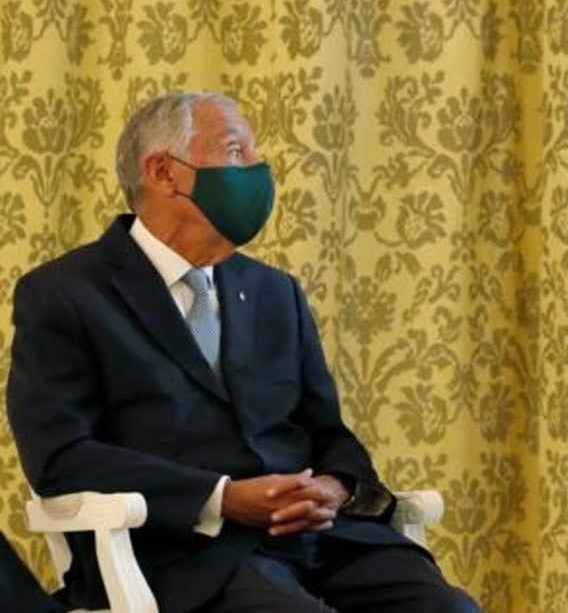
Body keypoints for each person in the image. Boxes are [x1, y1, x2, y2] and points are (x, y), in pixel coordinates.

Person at [5, 92, 479, 612]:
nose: (259, 168)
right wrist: (222, 498)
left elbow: (328, 433)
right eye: (236, 151)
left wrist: (335, 486)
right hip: (184, 556)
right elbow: (61, 457)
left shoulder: (276, 291)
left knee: (450, 609)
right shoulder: (65, 293)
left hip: (322, 542)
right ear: (164, 173)